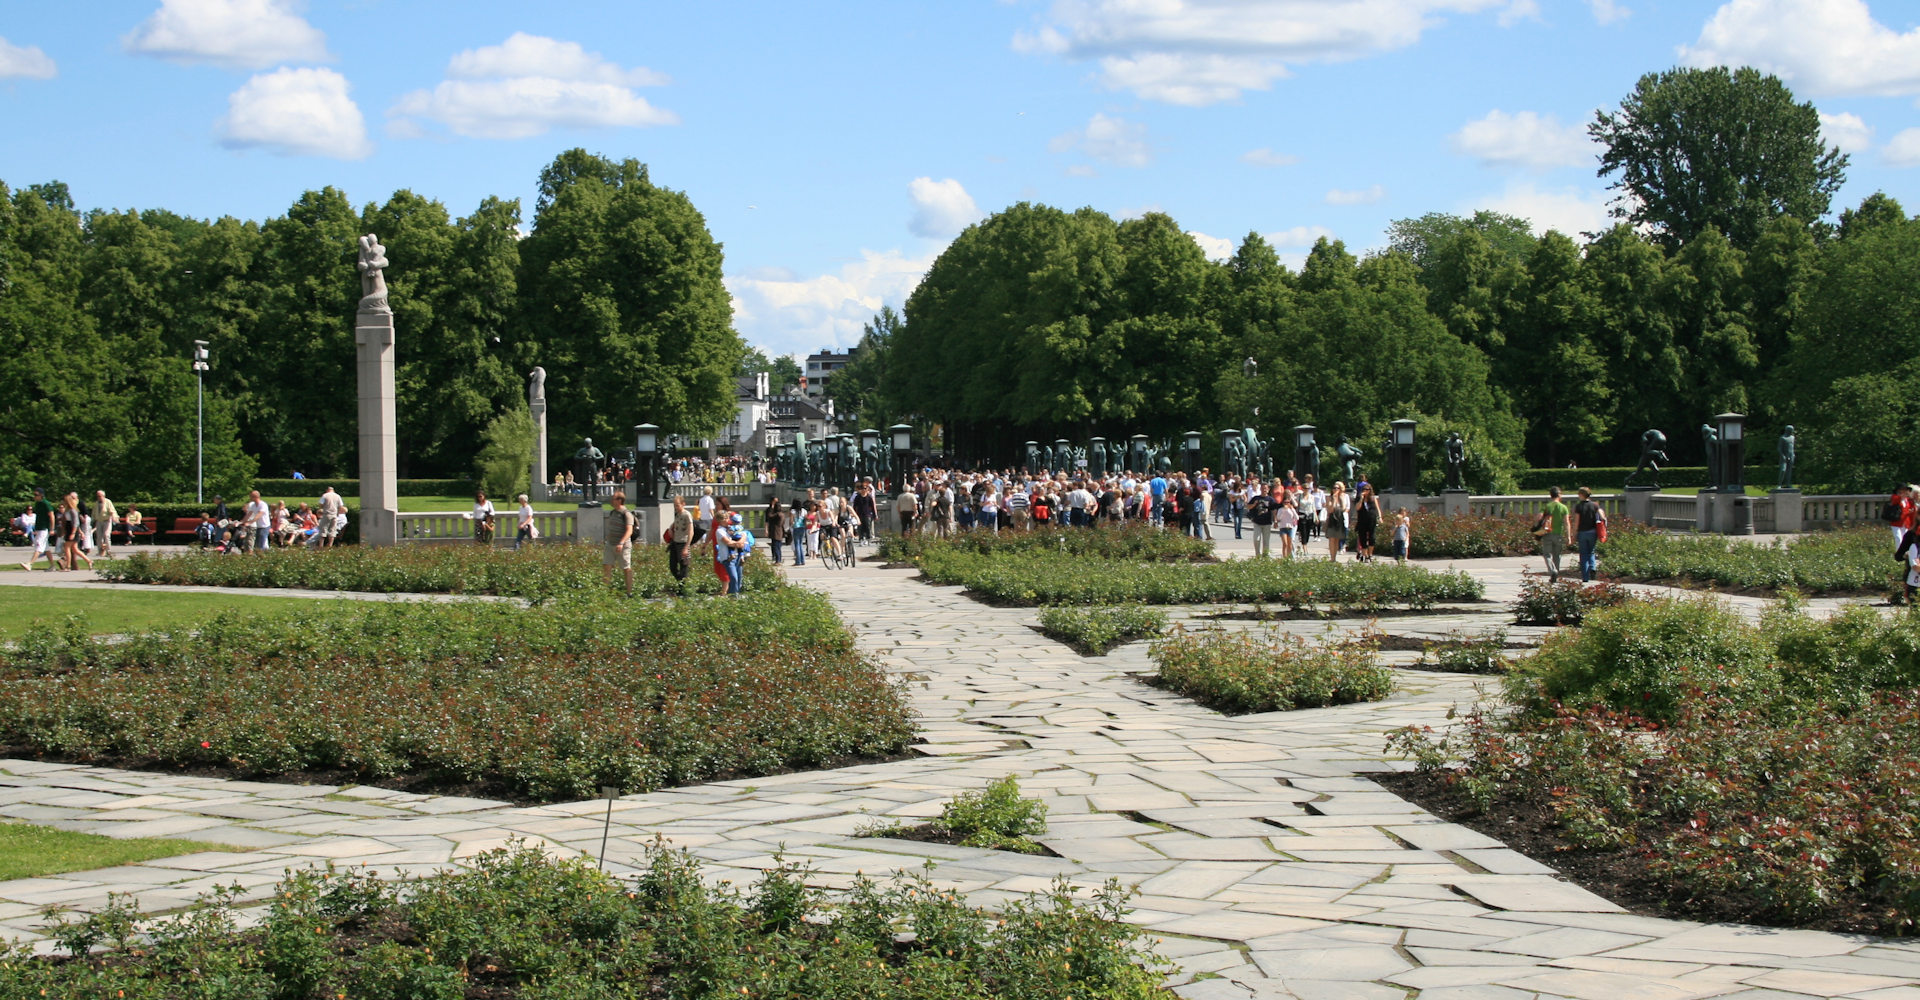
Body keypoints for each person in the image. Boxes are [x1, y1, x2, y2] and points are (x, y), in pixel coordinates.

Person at [602, 490, 636, 595]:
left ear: (619, 500)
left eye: (613, 498)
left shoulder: (626, 514)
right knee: (606, 566)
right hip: (610, 544)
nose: (611, 501)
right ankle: (604, 592)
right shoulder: (613, 512)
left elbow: (629, 531)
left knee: (626, 568)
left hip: (623, 545)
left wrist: (621, 543)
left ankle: (629, 593)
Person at [1536, 487, 1572, 582]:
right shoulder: (1563, 507)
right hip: (1558, 534)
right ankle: (1556, 572)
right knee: (1557, 555)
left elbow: (1539, 518)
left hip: (1547, 533)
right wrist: (1568, 536)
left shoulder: (1546, 506)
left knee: (1547, 554)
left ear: (1550, 495)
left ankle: (1552, 571)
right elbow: (1567, 522)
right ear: (1559, 495)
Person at [1572, 486, 1605, 583]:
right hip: (1593, 531)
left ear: (1582, 495)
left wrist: (1574, 534)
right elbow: (1602, 516)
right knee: (1591, 551)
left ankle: (1585, 577)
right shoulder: (1595, 505)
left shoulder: (1579, 506)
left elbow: (1577, 522)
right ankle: (1593, 567)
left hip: (1582, 532)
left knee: (1583, 554)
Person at [58, 492, 91, 571]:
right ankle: (89, 561)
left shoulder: (73, 511)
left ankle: (68, 566)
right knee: (75, 549)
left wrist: (73, 533)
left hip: (72, 530)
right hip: (69, 528)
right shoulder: (67, 510)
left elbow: (76, 523)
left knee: (67, 548)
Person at [23, 487, 54, 571]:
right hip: (39, 528)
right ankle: (52, 566)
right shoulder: (38, 504)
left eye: (36, 495)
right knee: (46, 548)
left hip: (44, 529)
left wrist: (52, 528)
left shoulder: (46, 503)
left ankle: (30, 564)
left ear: (41, 495)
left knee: (39, 547)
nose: (35, 496)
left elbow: (51, 516)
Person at [1353, 485, 1381, 562]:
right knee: (1363, 538)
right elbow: (1357, 508)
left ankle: (1370, 554)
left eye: (1367, 489)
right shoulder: (1359, 498)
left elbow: (1377, 509)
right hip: (1362, 520)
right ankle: (1365, 555)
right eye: (1364, 489)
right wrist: (1361, 498)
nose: (1366, 491)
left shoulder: (1373, 498)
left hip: (1371, 520)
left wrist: (1380, 517)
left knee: (1372, 538)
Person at [1247, 484, 1274, 558]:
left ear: (1268, 490)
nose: (1264, 490)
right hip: (1257, 522)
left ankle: (1266, 556)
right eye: (1262, 488)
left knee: (1266, 541)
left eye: (1265, 488)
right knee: (1256, 539)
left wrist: (1276, 521)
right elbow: (1248, 506)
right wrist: (1254, 504)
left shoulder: (1270, 499)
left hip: (1267, 522)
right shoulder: (1256, 498)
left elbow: (1274, 510)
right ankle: (1258, 555)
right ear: (1260, 489)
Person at [1324, 482, 1349, 561]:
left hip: (1340, 519)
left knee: (1337, 539)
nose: (1335, 489)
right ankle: (1332, 558)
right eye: (1334, 488)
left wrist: (1340, 499)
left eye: (1337, 488)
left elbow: (1344, 509)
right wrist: (1334, 500)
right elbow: (1330, 510)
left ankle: (1335, 557)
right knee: (1332, 539)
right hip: (1332, 519)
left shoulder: (1343, 497)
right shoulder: (1329, 498)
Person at [92, 490, 117, 560]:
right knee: (99, 537)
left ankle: (108, 551)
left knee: (106, 535)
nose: (98, 497)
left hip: (107, 521)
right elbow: (94, 513)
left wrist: (114, 517)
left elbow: (112, 511)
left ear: (103, 496)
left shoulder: (108, 502)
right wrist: (93, 520)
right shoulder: (96, 503)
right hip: (99, 521)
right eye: (97, 496)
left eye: (100, 496)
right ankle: (100, 551)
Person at [1272, 491, 1297, 559]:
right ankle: (1284, 557)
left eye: (1288, 502)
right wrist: (1283, 511)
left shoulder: (1292, 509)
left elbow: (1297, 517)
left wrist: (1292, 509)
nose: (1286, 504)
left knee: (1289, 544)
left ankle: (1289, 557)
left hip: (1290, 527)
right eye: (1285, 502)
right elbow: (1278, 518)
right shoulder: (1280, 509)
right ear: (1283, 503)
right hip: (1283, 527)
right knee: (1285, 543)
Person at [763, 496, 784, 567]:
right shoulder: (781, 514)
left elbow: (769, 517)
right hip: (779, 531)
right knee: (777, 546)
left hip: (776, 531)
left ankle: (777, 560)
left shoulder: (776, 514)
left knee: (776, 546)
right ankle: (777, 559)